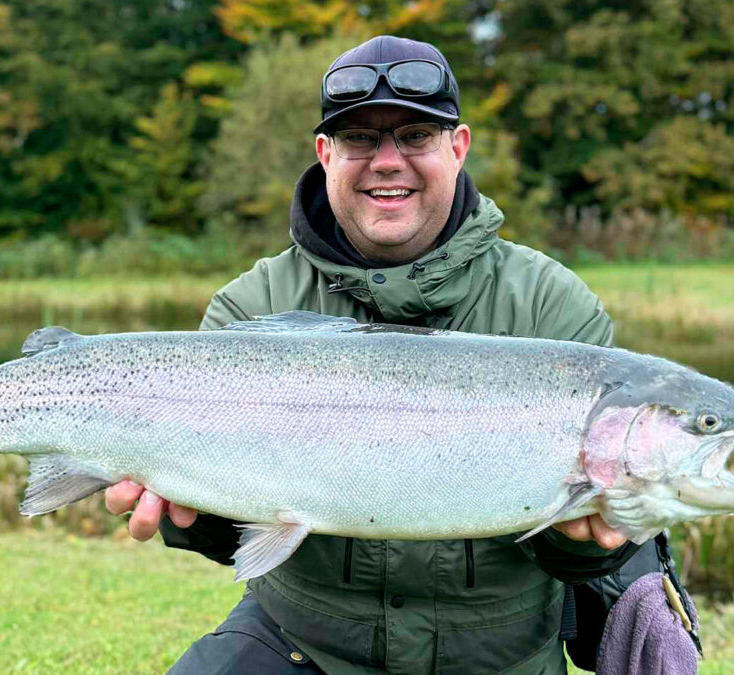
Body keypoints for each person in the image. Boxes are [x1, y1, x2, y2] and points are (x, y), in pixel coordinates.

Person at [106, 36, 652, 674]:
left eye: (416, 135)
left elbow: (583, 551)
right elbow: (234, 538)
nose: (386, 161)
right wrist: (188, 517)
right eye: (360, 138)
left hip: (497, 657)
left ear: (459, 147)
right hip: (302, 643)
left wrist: (590, 546)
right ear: (325, 154)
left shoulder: (552, 308)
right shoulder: (250, 307)